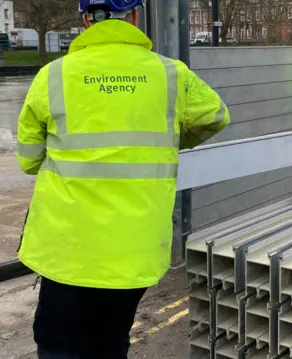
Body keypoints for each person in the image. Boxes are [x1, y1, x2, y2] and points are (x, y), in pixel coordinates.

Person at [14, 0, 231, 358]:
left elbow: (27, 159)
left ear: (86, 19)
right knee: (111, 340)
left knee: (59, 345)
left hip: (66, 250)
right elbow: (216, 116)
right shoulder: (170, 74)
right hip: (135, 252)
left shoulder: (52, 75)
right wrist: (164, 146)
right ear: (133, 16)